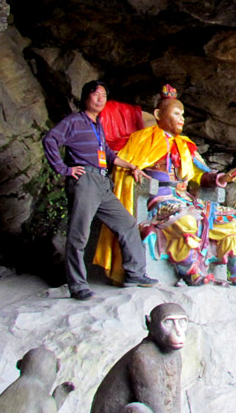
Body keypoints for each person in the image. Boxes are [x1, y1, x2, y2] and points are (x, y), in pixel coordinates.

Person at [93, 85, 236, 289]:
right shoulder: (142, 139)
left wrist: (222, 177)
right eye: (176, 113)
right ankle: (190, 272)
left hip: (185, 198)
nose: (182, 118)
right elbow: (125, 169)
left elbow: (198, 174)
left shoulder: (185, 145)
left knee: (229, 220)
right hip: (161, 199)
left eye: (183, 114)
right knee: (186, 220)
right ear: (158, 114)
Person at [42, 80, 157, 301]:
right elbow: (50, 140)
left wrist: (133, 166)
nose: (100, 99)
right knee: (79, 233)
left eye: (103, 95)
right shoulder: (74, 121)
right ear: (86, 98)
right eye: (96, 95)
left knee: (127, 223)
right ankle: (77, 286)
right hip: (84, 180)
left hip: (103, 182)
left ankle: (135, 273)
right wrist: (63, 169)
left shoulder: (98, 126)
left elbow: (110, 156)